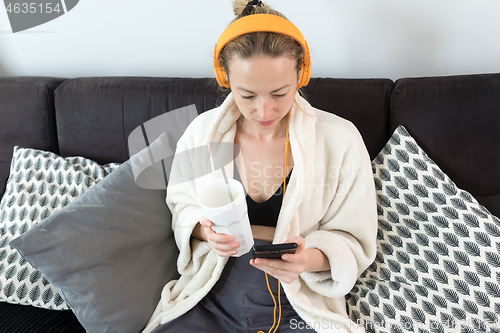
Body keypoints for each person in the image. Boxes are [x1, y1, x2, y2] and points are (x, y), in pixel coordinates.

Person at [143, 1, 377, 332]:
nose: (265, 110)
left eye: (280, 93)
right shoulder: (201, 133)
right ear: (225, 79)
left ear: (301, 73)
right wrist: (205, 231)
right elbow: (182, 206)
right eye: (248, 95)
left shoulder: (340, 141)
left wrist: (306, 260)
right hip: (212, 293)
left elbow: (354, 240)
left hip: (297, 299)